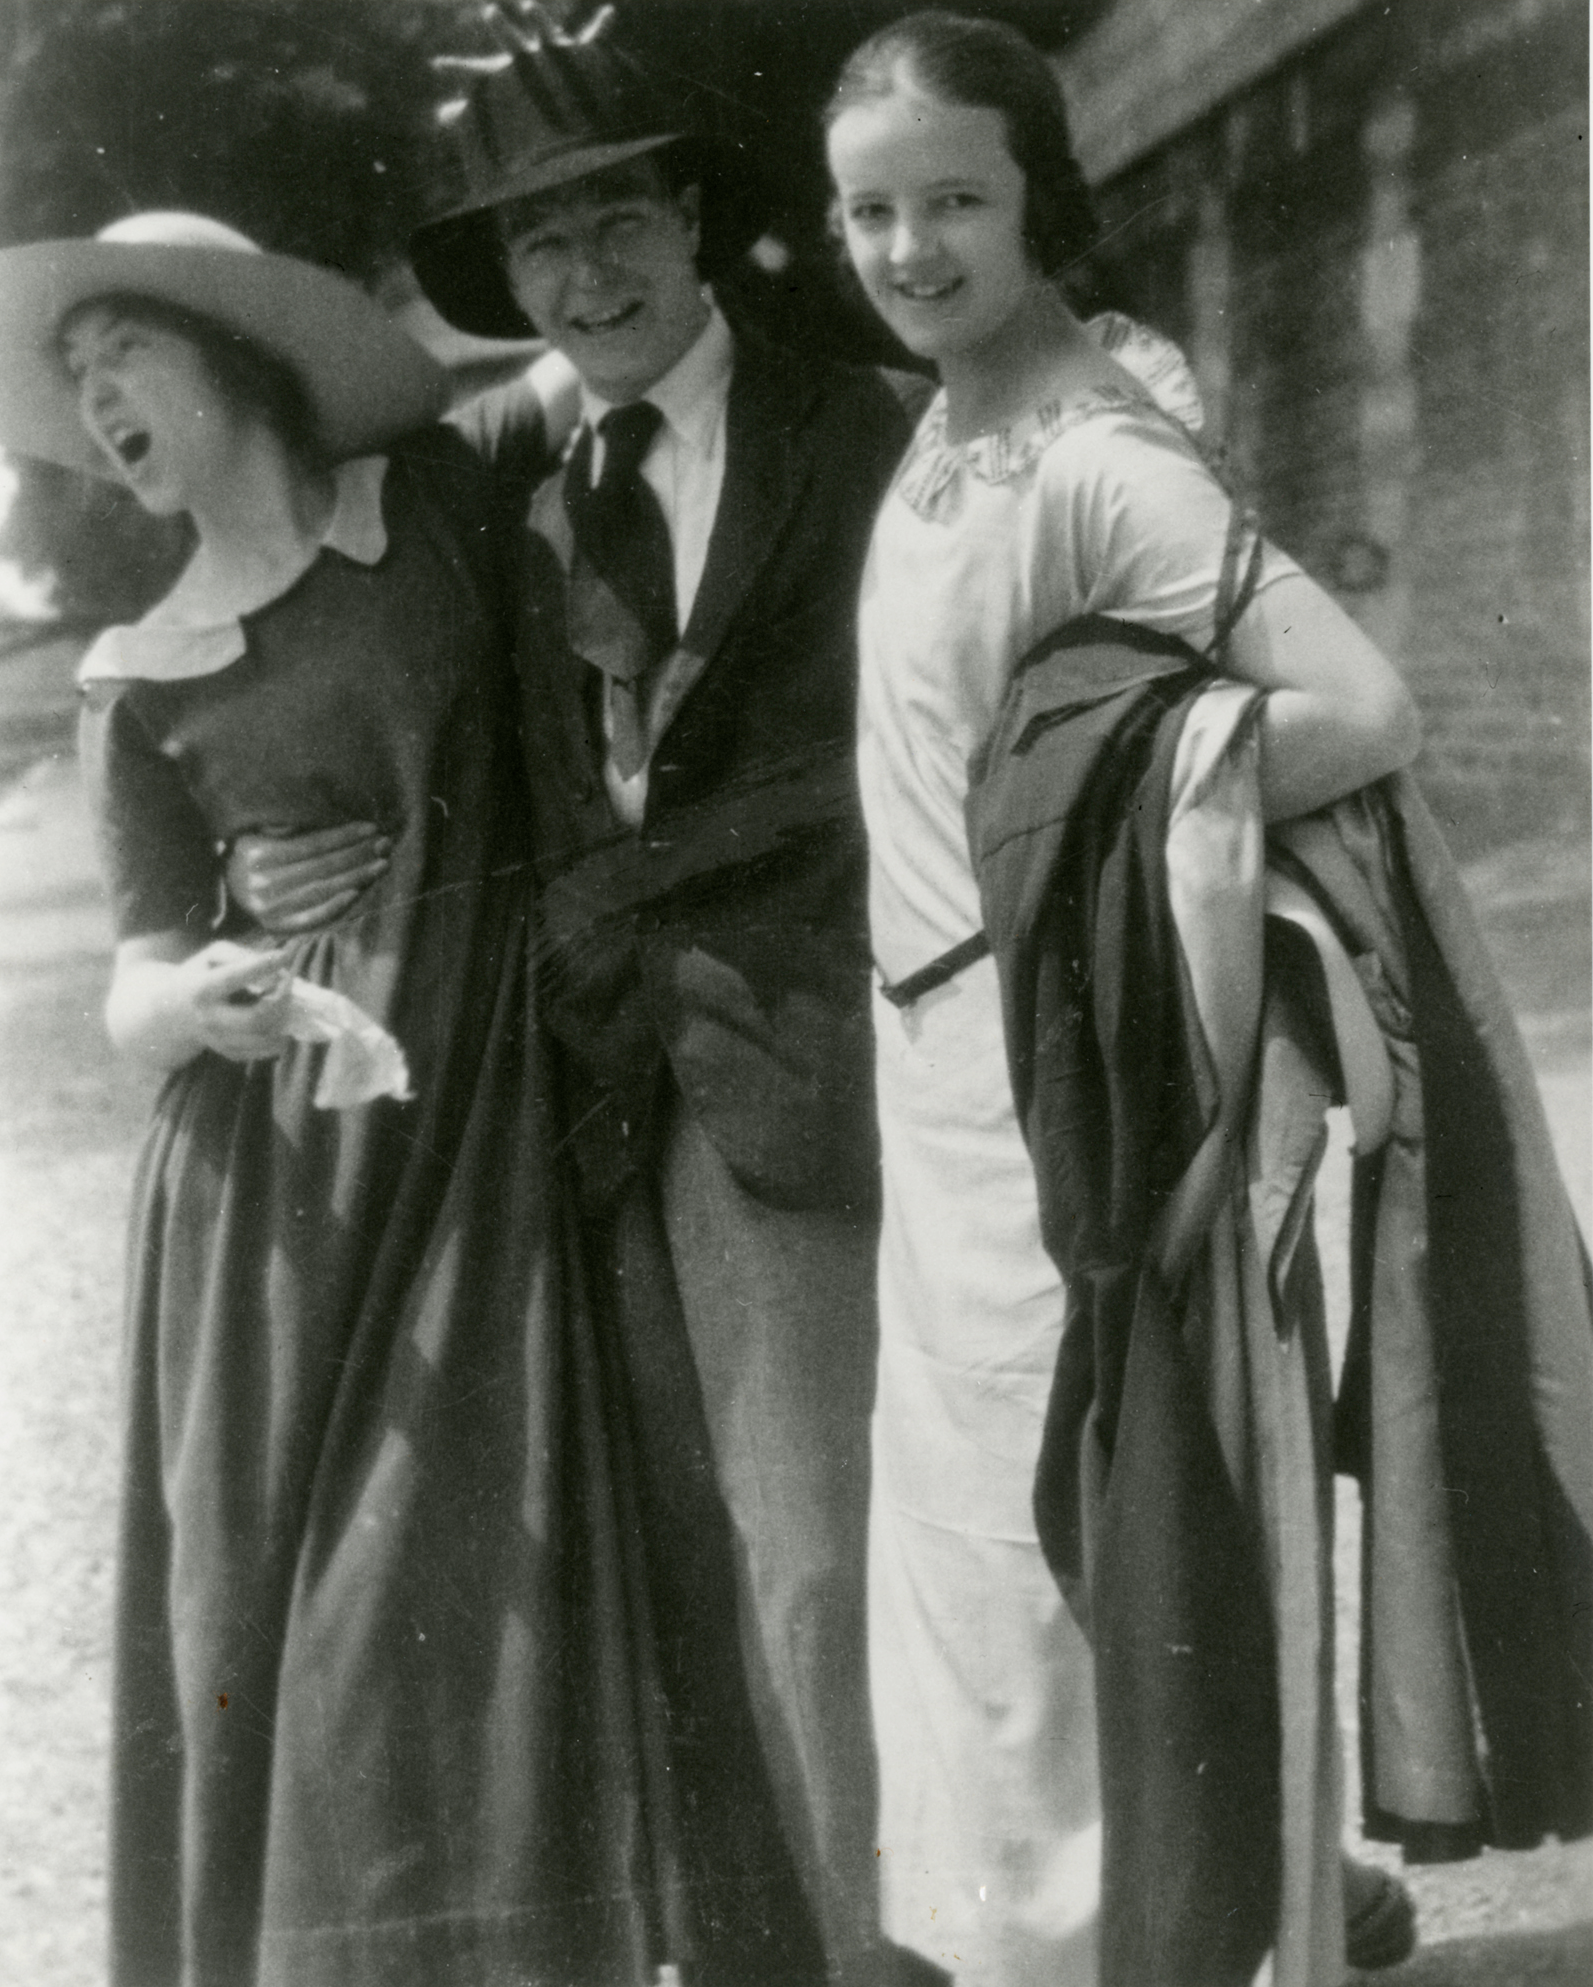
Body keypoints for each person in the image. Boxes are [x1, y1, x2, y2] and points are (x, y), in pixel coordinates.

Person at [228, 15, 921, 1987]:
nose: (587, 280)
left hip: (828, 1064)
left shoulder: (871, 430)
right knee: (666, 1586)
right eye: (539, 251)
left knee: (837, 1557)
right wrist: (263, 861)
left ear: (692, 218)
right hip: (572, 1091)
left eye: (615, 221)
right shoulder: (480, 475)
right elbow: (321, 680)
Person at [0, 210, 697, 1987]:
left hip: (489, 1108)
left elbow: (618, 347)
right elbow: (132, 981)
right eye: (75, 390)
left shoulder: (441, 509)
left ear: (235, 356)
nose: (95, 410)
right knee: (310, 1606)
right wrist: (201, 993)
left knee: (477, 1583)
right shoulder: (130, 676)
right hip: (279, 1187)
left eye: (122, 363)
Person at [822, 14, 1429, 1986]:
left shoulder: (1091, 451)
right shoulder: (948, 419)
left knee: (1055, 1550)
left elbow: (1358, 708)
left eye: (952, 203)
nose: (908, 249)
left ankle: (1147, 1945)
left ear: (1038, 197)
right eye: (869, 212)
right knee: (972, 1575)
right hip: (926, 1076)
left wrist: (1133, 802)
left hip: (1037, 1081)